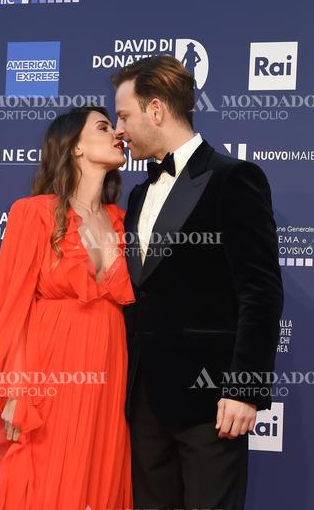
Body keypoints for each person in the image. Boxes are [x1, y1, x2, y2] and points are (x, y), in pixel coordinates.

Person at [112, 55, 283, 510]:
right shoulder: (138, 194)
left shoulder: (234, 179)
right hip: (145, 400)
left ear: (155, 110)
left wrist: (244, 388)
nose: (119, 129)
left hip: (211, 401)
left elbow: (260, 292)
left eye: (124, 115)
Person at [0, 106, 134, 509]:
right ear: (75, 147)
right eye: (104, 127)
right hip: (51, 376)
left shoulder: (122, 220)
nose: (118, 134)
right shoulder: (33, 213)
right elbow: (12, 309)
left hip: (109, 376)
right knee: (46, 484)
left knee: (98, 479)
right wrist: (15, 392)